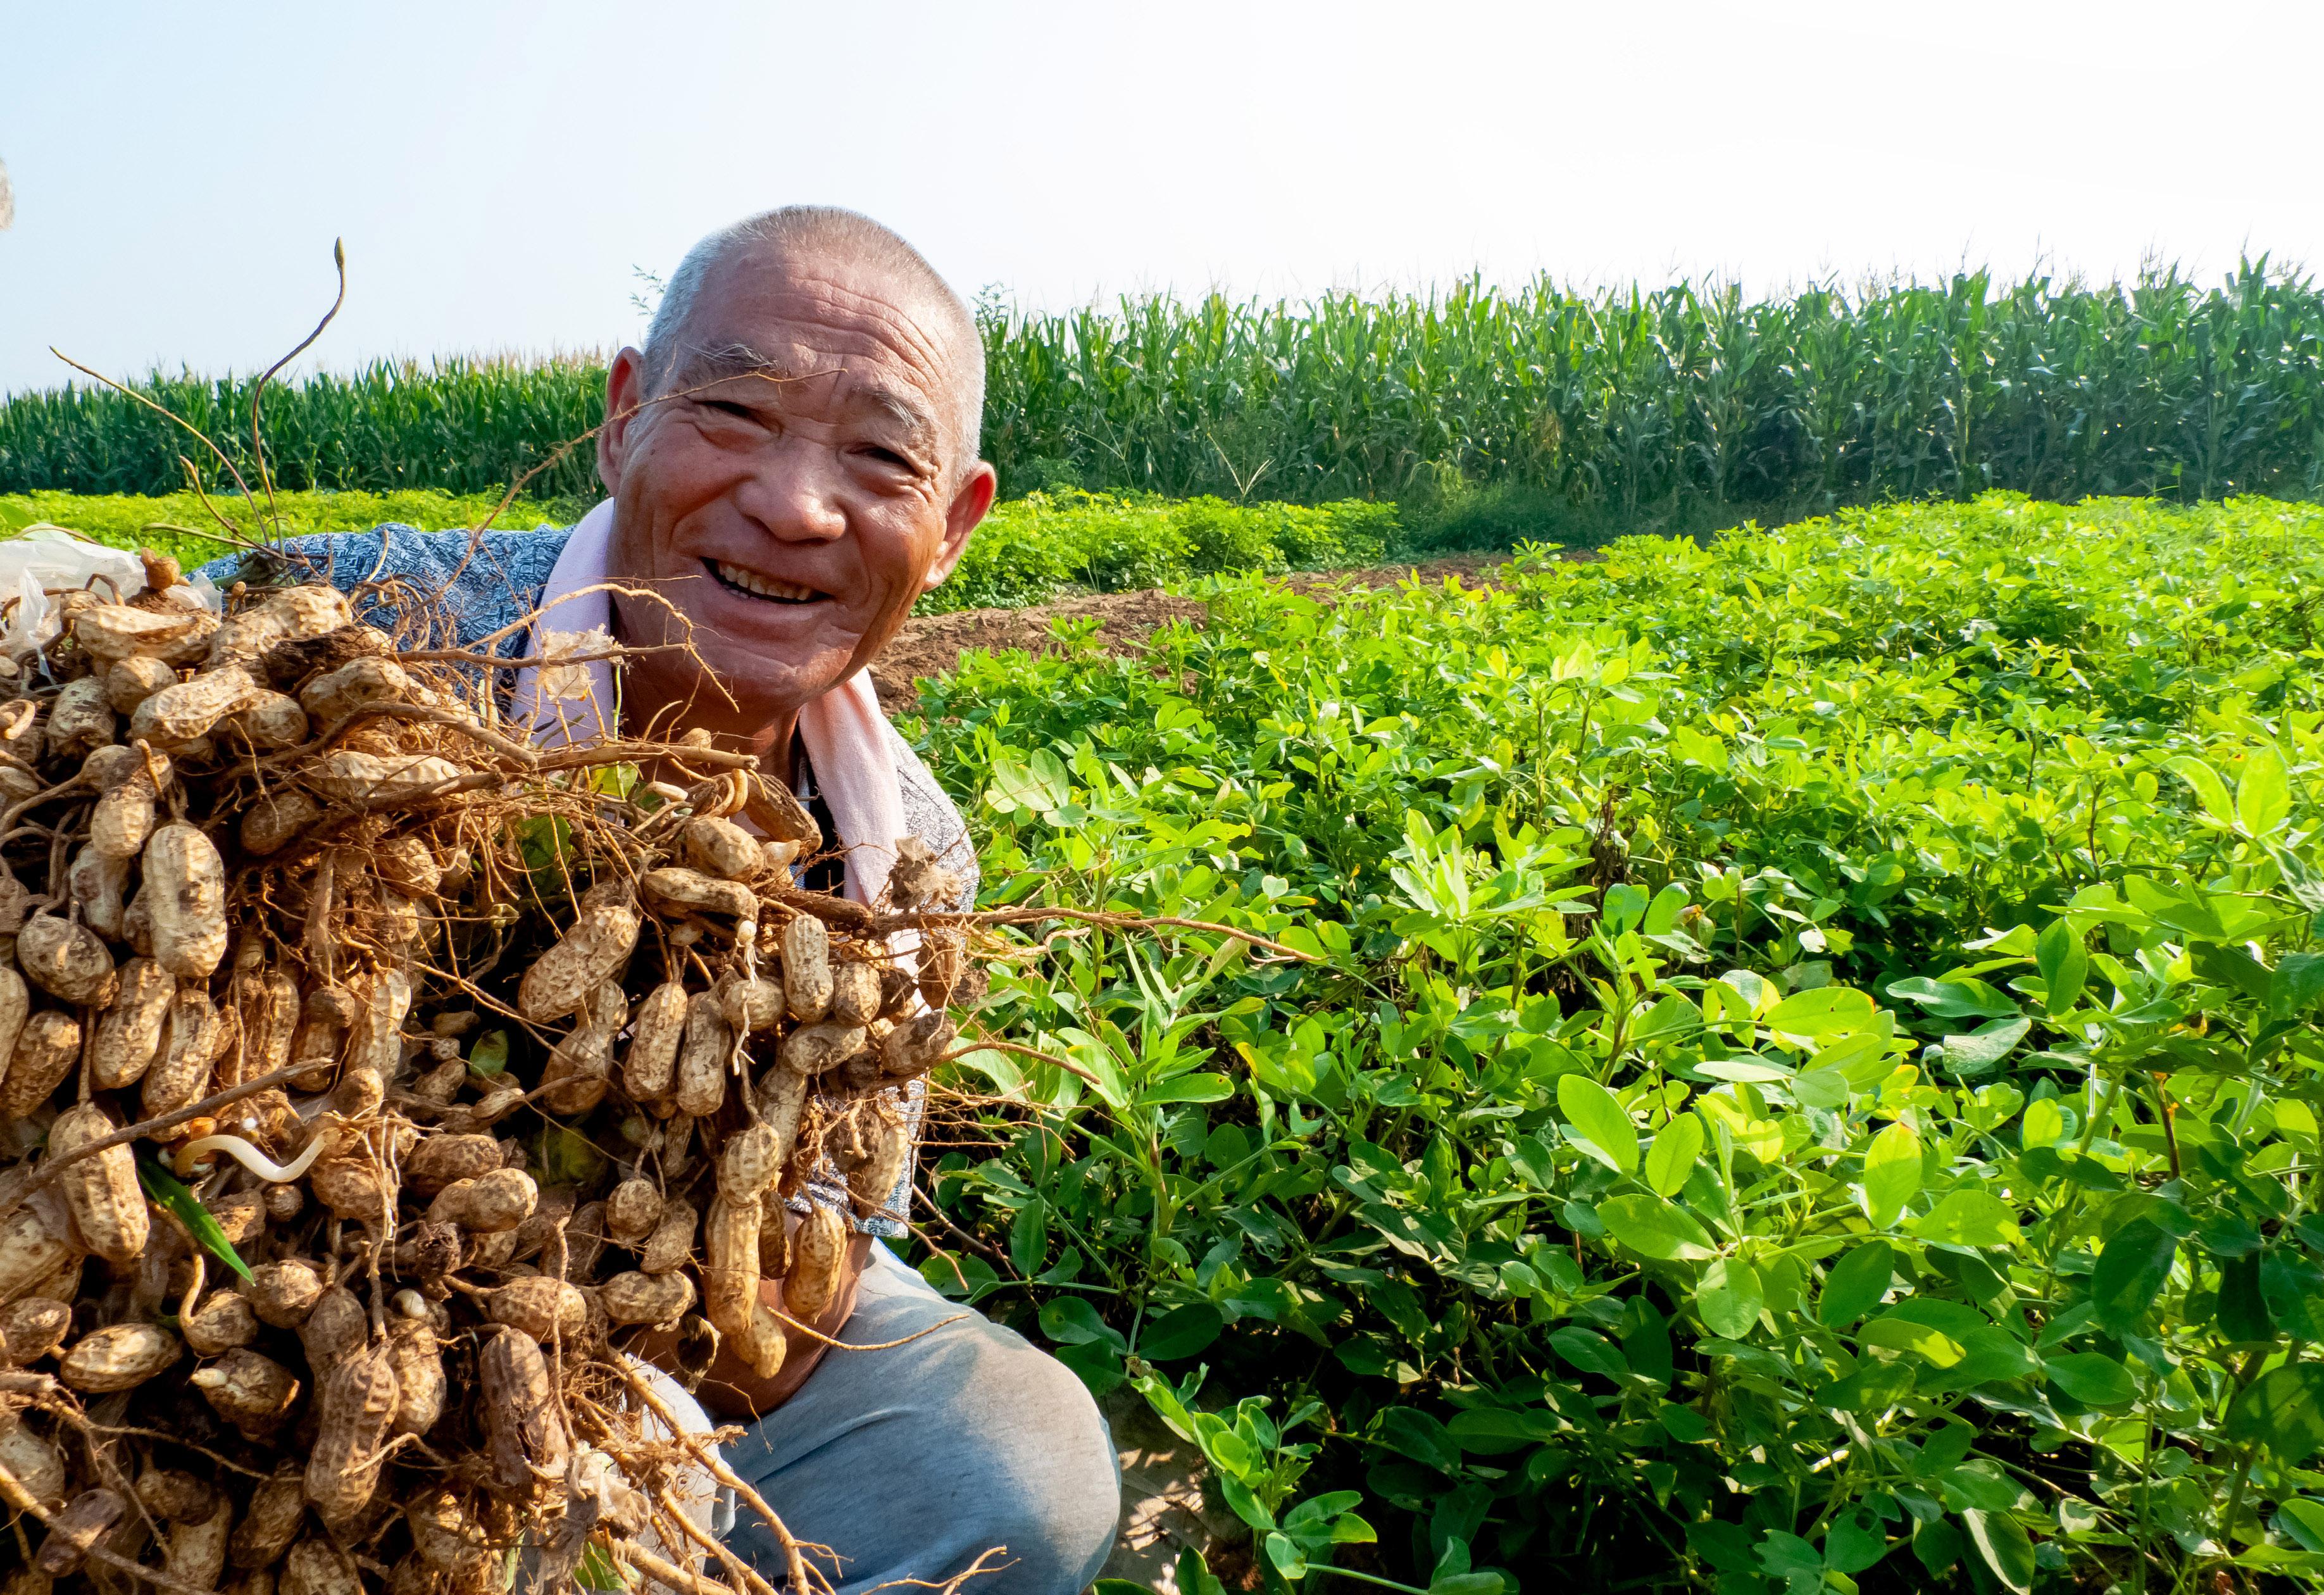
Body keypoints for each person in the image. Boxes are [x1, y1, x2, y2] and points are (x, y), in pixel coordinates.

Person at [204, 206, 1120, 1594]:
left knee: (1014, 1460)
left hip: (632, 1338)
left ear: (953, 528)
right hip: (275, 1310)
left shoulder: (908, 858)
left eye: (879, 457)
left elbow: (831, 1242)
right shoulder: (362, 620)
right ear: (624, 418)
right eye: (738, 410)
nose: (797, 505)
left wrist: (663, 1366)